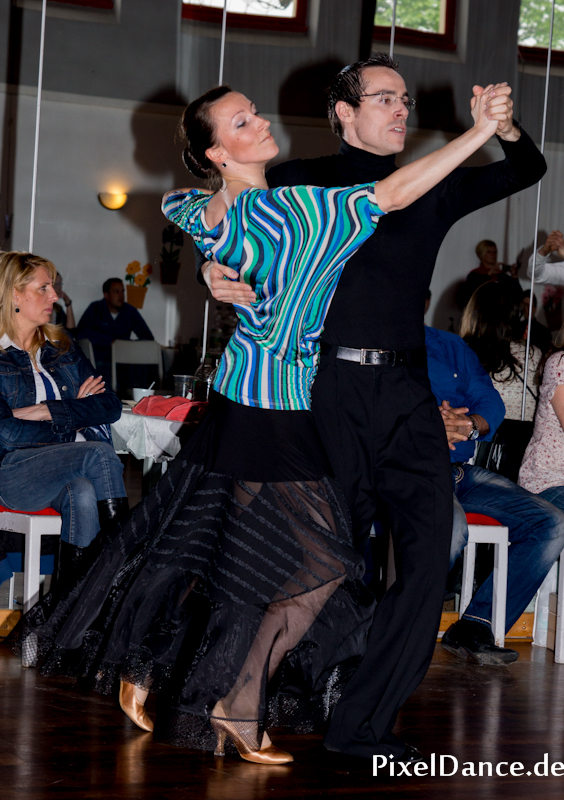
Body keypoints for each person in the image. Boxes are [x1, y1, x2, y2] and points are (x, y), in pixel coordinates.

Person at [12, 82, 500, 766]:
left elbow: (184, 206)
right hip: (271, 406)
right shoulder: (295, 209)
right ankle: (218, 696)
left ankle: (160, 671)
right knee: (309, 561)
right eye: (241, 121)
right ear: (218, 150)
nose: (261, 122)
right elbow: (391, 194)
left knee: (217, 547)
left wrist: (214, 265)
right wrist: (478, 134)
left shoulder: (209, 208)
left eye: (253, 112)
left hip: (254, 397)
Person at [199, 56, 546, 760]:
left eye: (405, 98)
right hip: (329, 389)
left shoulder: (430, 185)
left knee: (425, 562)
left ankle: (361, 726)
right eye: (384, 97)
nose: (401, 109)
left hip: (408, 394)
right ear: (344, 112)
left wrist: (506, 127)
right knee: (326, 561)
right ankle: (246, 693)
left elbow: (526, 169)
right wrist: (214, 269)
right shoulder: (300, 180)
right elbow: (228, 218)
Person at [424, 322, 564, 665]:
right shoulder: (375, 344)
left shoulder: (450, 346)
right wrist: (426, 426)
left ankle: (475, 625)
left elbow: (490, 402)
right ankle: (406, 632)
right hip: (412, 469)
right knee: (450, 527)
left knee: (552, 523)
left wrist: (469, 424)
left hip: (459, 472)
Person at [0, 252, 127, 595]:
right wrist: (75, 417)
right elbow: (6, 433)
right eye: (43, 288)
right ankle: (123, 573)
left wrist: (48, 410)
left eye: (53, 287)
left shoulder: (61, 348)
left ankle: (71, 611)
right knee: (97, 453)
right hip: (12, 472)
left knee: (83, 494)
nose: (55, 296)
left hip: (64, 467)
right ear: (14, 294)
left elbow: (110, 405)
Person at [76, 278, 154, 387]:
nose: (121, 295)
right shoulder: (96, 308)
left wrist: (128, 345)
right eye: (116, 292)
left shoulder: (130, 311)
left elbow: (147, 337)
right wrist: (109, 341)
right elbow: (81, 333)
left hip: (125, 360)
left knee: (142, 369)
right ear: (106, 295)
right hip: (101, 360)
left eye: (122, 291)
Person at [459, 239, 521, 308]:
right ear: (480, 255)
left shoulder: (502, 275)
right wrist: (489, 274)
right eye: (489, 252)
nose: (493, 254)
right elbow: (471, 295)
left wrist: (514, 276)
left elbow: (518, 296)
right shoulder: (474, 275)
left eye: (495, 252)